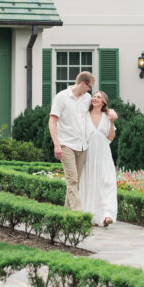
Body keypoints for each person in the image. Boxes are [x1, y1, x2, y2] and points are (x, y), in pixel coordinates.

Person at [48, 70, 95, 210]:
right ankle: (79, 214)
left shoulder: (87, 98)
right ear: (82, 83)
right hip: (66, 144)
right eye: (89, 86)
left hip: (82, 146)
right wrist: (57, 145)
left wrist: (111, 112)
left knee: (75, 183)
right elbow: (52, 122)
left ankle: (66, 215)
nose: (90, 89)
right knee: (72, 180)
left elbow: (99, 108)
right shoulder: (61, 97)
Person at [80, 90, 118, 227]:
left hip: (104, 155)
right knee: (90, 185)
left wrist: (112, 122)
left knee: (107, 183)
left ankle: (107, 214)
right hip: (89, 156)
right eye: (94, 96)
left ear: (103, 102)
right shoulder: (84, 116)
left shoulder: (107, 116)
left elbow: (111, 137)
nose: (95, 98)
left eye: (98, 97)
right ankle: (93, 216)